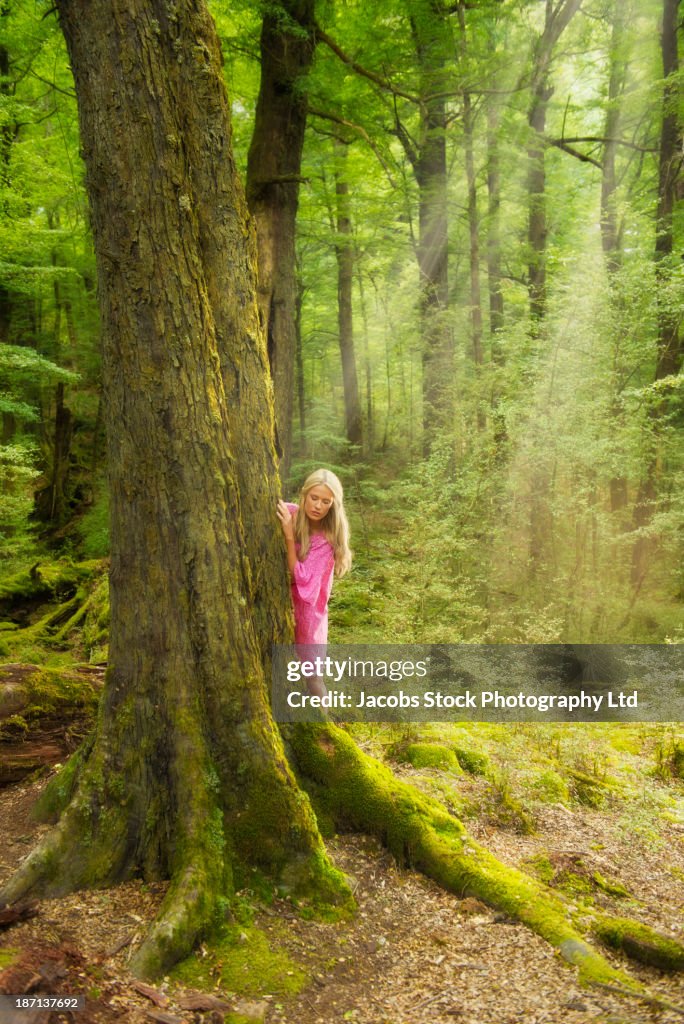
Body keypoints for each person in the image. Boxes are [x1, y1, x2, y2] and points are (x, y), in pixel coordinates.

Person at [276, 468, 352, 648]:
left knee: (311, 674)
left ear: (333, 504)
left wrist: (289, 536)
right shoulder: (290, 513)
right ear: (304, 495)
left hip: (308, 616)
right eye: (314, 498)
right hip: (281, 607)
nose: (318, 506)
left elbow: (299, 577)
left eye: (325, 501)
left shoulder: (327, 539)